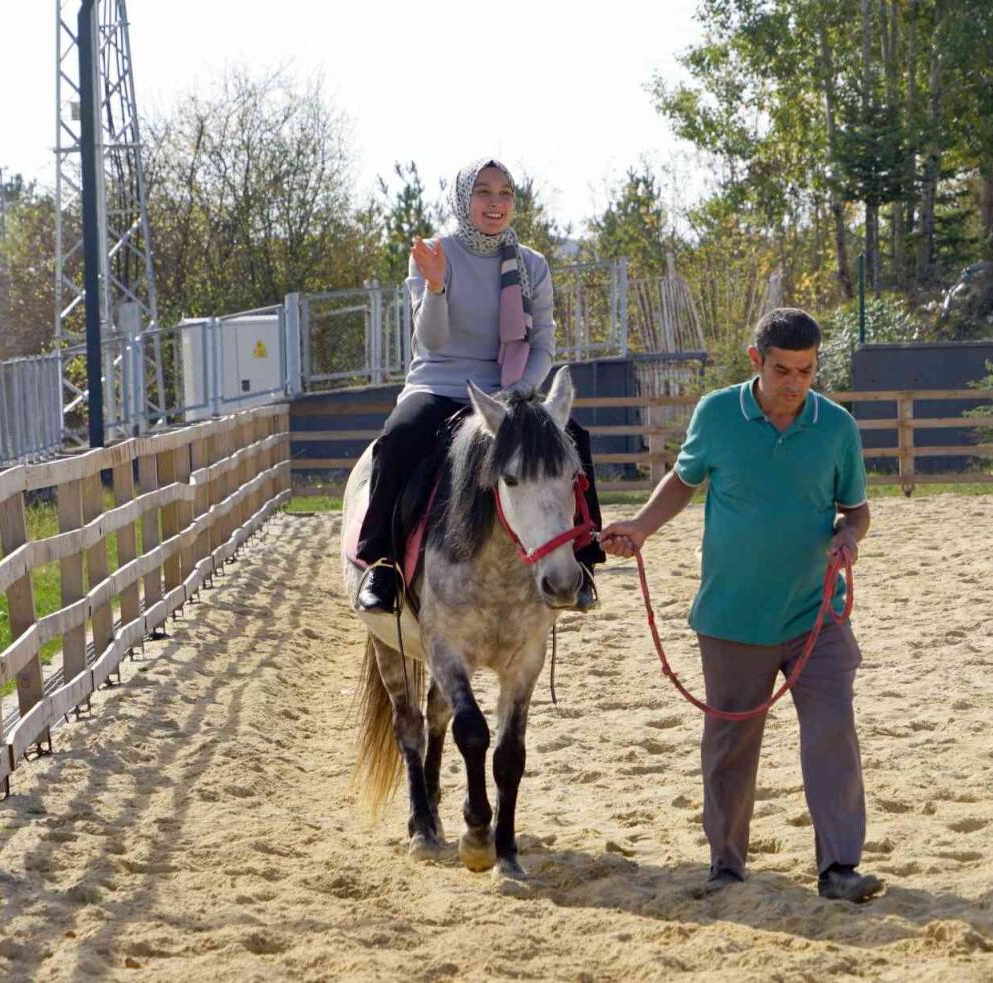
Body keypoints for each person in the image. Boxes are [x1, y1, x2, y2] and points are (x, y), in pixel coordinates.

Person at [600, 308, 882, 902]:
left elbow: (856, 509)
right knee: (731, 744)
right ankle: (726, 865)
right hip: (732, 617)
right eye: (783, 369)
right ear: (756, 361)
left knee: (832, 733)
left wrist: (849, 537)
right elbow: (683, 478)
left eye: (807, 370)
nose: (796, 383)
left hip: (817, 614)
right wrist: (644, 527)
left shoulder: (836, 428)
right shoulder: (717, 414)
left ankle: (839, 868)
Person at [354, 157, 604, 612]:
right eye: (483, 192)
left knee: (573, 440)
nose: (495, 203)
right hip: (439, 382)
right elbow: (430, 341)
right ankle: (382, 566)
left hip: (509, 391)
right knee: (398, 438)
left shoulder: (533, 264)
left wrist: (519, 393)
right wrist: (434, 287)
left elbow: (544, 343)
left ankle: (583, 561)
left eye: (505, 192)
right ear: (463, 198)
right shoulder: (434, 253)